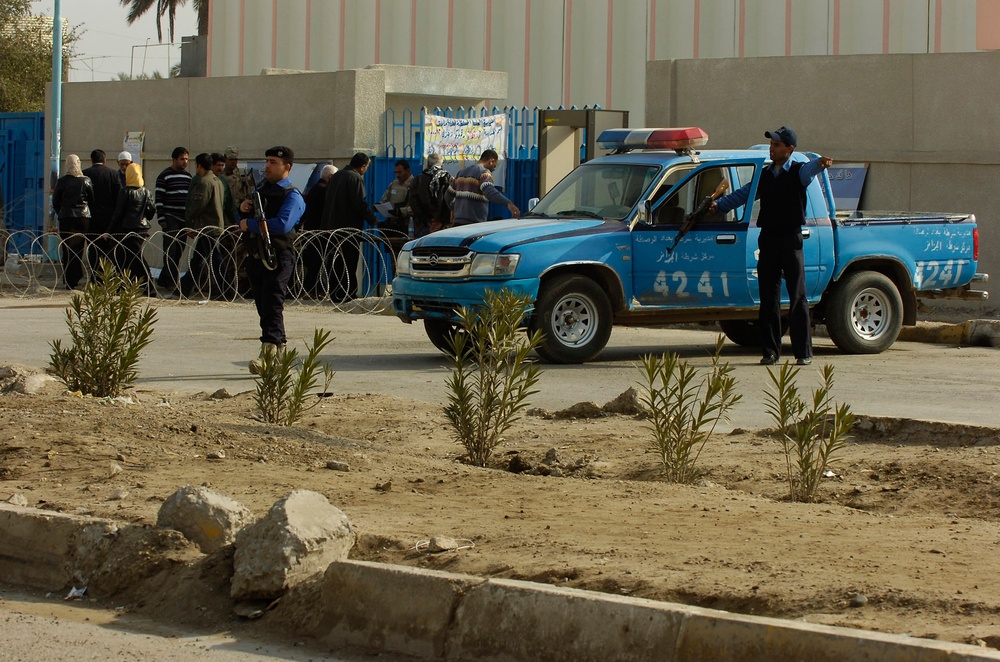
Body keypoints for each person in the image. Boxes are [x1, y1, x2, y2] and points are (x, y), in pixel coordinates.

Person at [710, 126, 833, 366]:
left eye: (777, 145)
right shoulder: (765, 175)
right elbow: (744, 194)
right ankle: (770, 352)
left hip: (791, 240)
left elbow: (811, 168)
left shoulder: (798, 172)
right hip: (768, 239)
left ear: (789, 149)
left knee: (797, 297)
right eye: (771, 144)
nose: (772, 148)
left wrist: (820, 164)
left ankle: (803, 353)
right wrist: (720, 206)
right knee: (768, 298)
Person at [237, 146, 305, 374]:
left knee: (273, 303)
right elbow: (246, 217)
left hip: (278, 257)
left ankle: (268, 351)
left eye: (273, 162)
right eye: (267, 161)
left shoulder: (292, 195)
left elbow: (281, 225)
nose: (267, 165)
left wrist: (250, 224)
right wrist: (243, 210)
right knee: (263, 305)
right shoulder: (261, 190)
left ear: (287, 167)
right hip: (256, 255)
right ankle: (278, 350)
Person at [321, 152, 378, 303]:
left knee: (335, 262)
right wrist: (373, 219)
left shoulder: (337, 176)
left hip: (331, 227)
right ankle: (348, 293)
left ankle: (335, 293)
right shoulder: (355, 178)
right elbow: (359, 203)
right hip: (348, 229)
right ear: (363, 166)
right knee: (349, 261)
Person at [107, 162, 156, 295]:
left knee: (134, 258)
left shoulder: (126, 191)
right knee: (128, 257)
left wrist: (109, 231)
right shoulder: (146, 191)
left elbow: (118, 213)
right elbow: (151, 210)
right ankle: (124, 286)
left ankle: (148, 286)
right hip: (142, 229)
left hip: (127, 228)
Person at [182, 153, 226, 297]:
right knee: (198, 260)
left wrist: (189, 222)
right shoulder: (217, 180)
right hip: (214, 225)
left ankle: (226, 289)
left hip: (207, 227)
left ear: (199, 166)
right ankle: (184, 287)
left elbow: (198, 205)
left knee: (214, 259)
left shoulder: (204, 182)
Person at [52, 154, 95, 290]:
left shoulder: (62, 181)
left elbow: (56, 201)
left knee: (67, 248)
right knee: (79, 248)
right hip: (83, 218)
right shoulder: (86, 180)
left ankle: (69, 279)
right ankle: (76, 277)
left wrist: (62, 212)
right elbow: (92, 200)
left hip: (66, 218)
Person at [445, 149, 519, 225]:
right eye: (494, 166)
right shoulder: (484, 173)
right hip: (474, 224)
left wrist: (456, 209)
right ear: (491, 161)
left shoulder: (460, 173)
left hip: (458, 223)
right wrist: (509, 204)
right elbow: (490, 192)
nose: (493, 169)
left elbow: (448, 196)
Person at [155, 147, 192, 297]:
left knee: (179, 250)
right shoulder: (164, 176)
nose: (185, 162)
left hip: (183, 219)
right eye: (182, 159)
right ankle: (171, 281)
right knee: (171, 250)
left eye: (187, 159)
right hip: (170, 217)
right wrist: (162, 218)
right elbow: (159, 198)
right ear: (174, 159)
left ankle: (164, 279)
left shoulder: (188, 177)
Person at [82, 149, 122, 281]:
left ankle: (95, 277)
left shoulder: (85, 175)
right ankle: (108, 277)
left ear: (92, 160)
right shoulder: (113, 174)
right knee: (109, 249)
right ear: (104, 160)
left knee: (94, 248)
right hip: (109, 218)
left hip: (91, 218)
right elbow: (119, 197)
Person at [300, 164, 337, 296]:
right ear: (331, 176)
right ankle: (311, 290)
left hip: (311, 230)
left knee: (315, 261)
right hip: (318, 231)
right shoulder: (323, 190)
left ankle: (315, 289)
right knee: (316, 262)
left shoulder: (315, 188)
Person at [409, 152, 453, 236]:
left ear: (428, 164)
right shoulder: (448, 178)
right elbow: (450, 202)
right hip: (442, 226)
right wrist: (440, 221)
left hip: (423, 225)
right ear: (442, 164)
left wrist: (427, 220)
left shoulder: (418, 180)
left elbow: (413, 202)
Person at [378, 159, 414, 236]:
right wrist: (380, 206)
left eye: (400, 172)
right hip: (392, 223)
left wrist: (400, 211)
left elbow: (416, 207)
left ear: (407, 171)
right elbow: (385, 198)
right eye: (396, 172)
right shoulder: (394, 183)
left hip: (406, 225)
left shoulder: (414, 184)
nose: (397, 175)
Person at [211, 152, 238, 223]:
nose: (220, 168)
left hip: (222, 219)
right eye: (218, 165)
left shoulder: (223, 180)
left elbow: (229, 203)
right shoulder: (205, 180)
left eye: (222, 165)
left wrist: (234, 220)